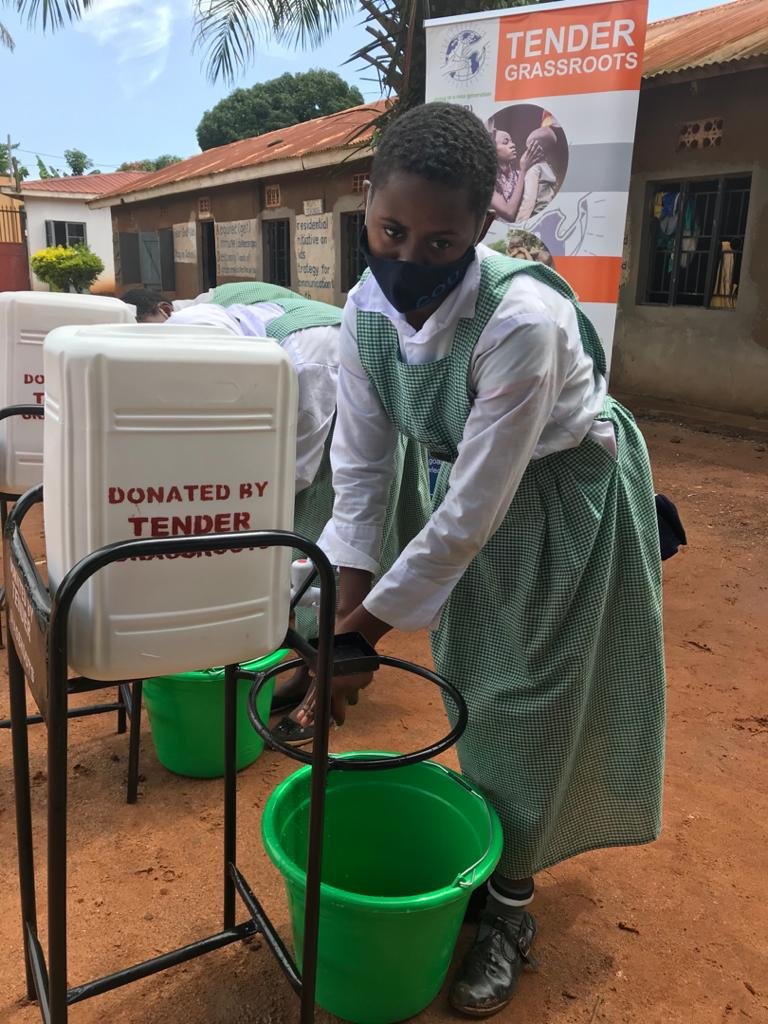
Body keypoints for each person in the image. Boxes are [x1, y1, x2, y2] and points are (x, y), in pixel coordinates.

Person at [297, 102, 665, 1018]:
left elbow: (471, 514)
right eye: (391, 231)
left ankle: (508, 909)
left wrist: (358, 639)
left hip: (556, 501)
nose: (409, 259)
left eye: (440, 241)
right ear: (367, 202)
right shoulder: (363, 314)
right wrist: (346, 638)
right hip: (464, 498)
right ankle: (487, 855)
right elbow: (362, 482)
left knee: (527, 700)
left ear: (485, 227)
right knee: (472, 672)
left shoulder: (522, 321)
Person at [141, 284, 431, 730]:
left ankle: (323, 669)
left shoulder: (308, 360)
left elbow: (290, 476)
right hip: (291, 422)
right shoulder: (200, 319)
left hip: (343, 424)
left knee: (316, 550)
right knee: (283, 552)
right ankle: (302, 663)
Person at [488, 128, 542, 225]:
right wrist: (523, 170)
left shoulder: (520, 174)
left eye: (512, 142)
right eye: (505, 142)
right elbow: (509, 214)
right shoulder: (487, 180)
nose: (513, 145)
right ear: (492, 149)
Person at [516, 126, 559, 223]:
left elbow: (529, 200)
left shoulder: (534, 170)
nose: (525, 152)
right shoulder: (549, 168)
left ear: (536, 149)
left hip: (534, 216)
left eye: (528, 148)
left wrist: (519, 222)